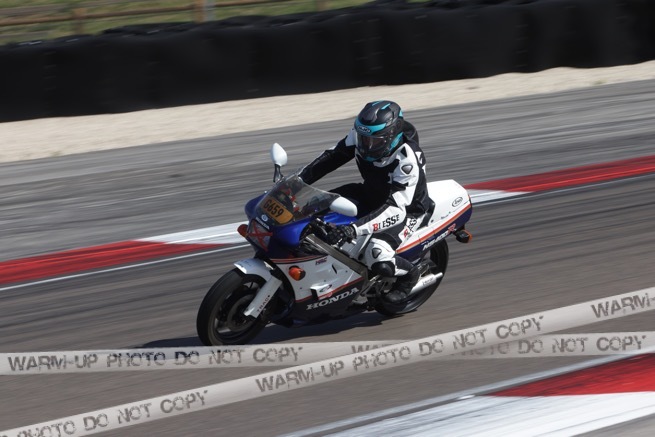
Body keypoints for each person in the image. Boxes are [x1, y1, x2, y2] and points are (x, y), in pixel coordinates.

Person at [299, 100, 433, 304]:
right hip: (370, 193)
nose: (367, 145)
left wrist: (353, 229)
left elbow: (395, 210)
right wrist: (298, 181)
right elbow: (331, 157)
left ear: (392, 136)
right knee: (312, 206)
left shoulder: (407, 160)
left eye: (375, 141)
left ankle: (409, 276)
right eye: (363, 139)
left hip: (407, 210)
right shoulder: (361, 135)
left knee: (377, 254)